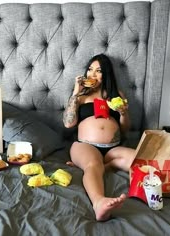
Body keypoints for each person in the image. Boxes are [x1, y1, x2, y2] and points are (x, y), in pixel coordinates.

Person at [63, 53, 136, 221]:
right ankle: (99, 203)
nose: (92, 74)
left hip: (113, 146)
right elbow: (68, 123)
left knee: (137, 159)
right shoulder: (80, 97)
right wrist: (76, 92)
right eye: (90, 70)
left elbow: (125, 129)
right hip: (85, 145)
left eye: (98, 71)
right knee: (93, 164)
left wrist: (123, 114)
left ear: (106, 74)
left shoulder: (117, 95)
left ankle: (109, 164)